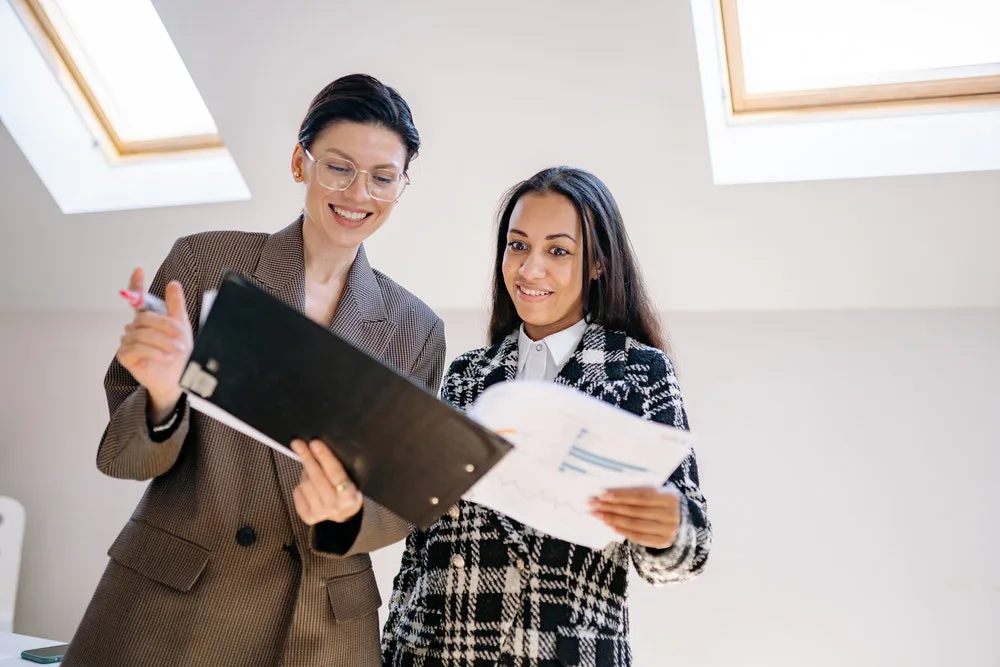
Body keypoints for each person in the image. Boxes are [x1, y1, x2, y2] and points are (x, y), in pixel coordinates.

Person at [62, 74, 445, 667]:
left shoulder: (413, 327)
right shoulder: (207, 261)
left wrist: (347, 512)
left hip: (318, 625)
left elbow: (402, 495)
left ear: (402, 185)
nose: (358, 193)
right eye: (338, 167)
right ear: (301, 162)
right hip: (173, 606)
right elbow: (125, 456)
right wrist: (163, 397)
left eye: (383, 177)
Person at [381, 167, 712, 666]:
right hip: (434, 650)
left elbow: (691, 549)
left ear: (598, 264)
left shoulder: (638, 370)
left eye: (558, 251)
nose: (530, 269)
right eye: (518, 246)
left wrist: (668, 529)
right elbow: (422, 541)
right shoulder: (466, 374)